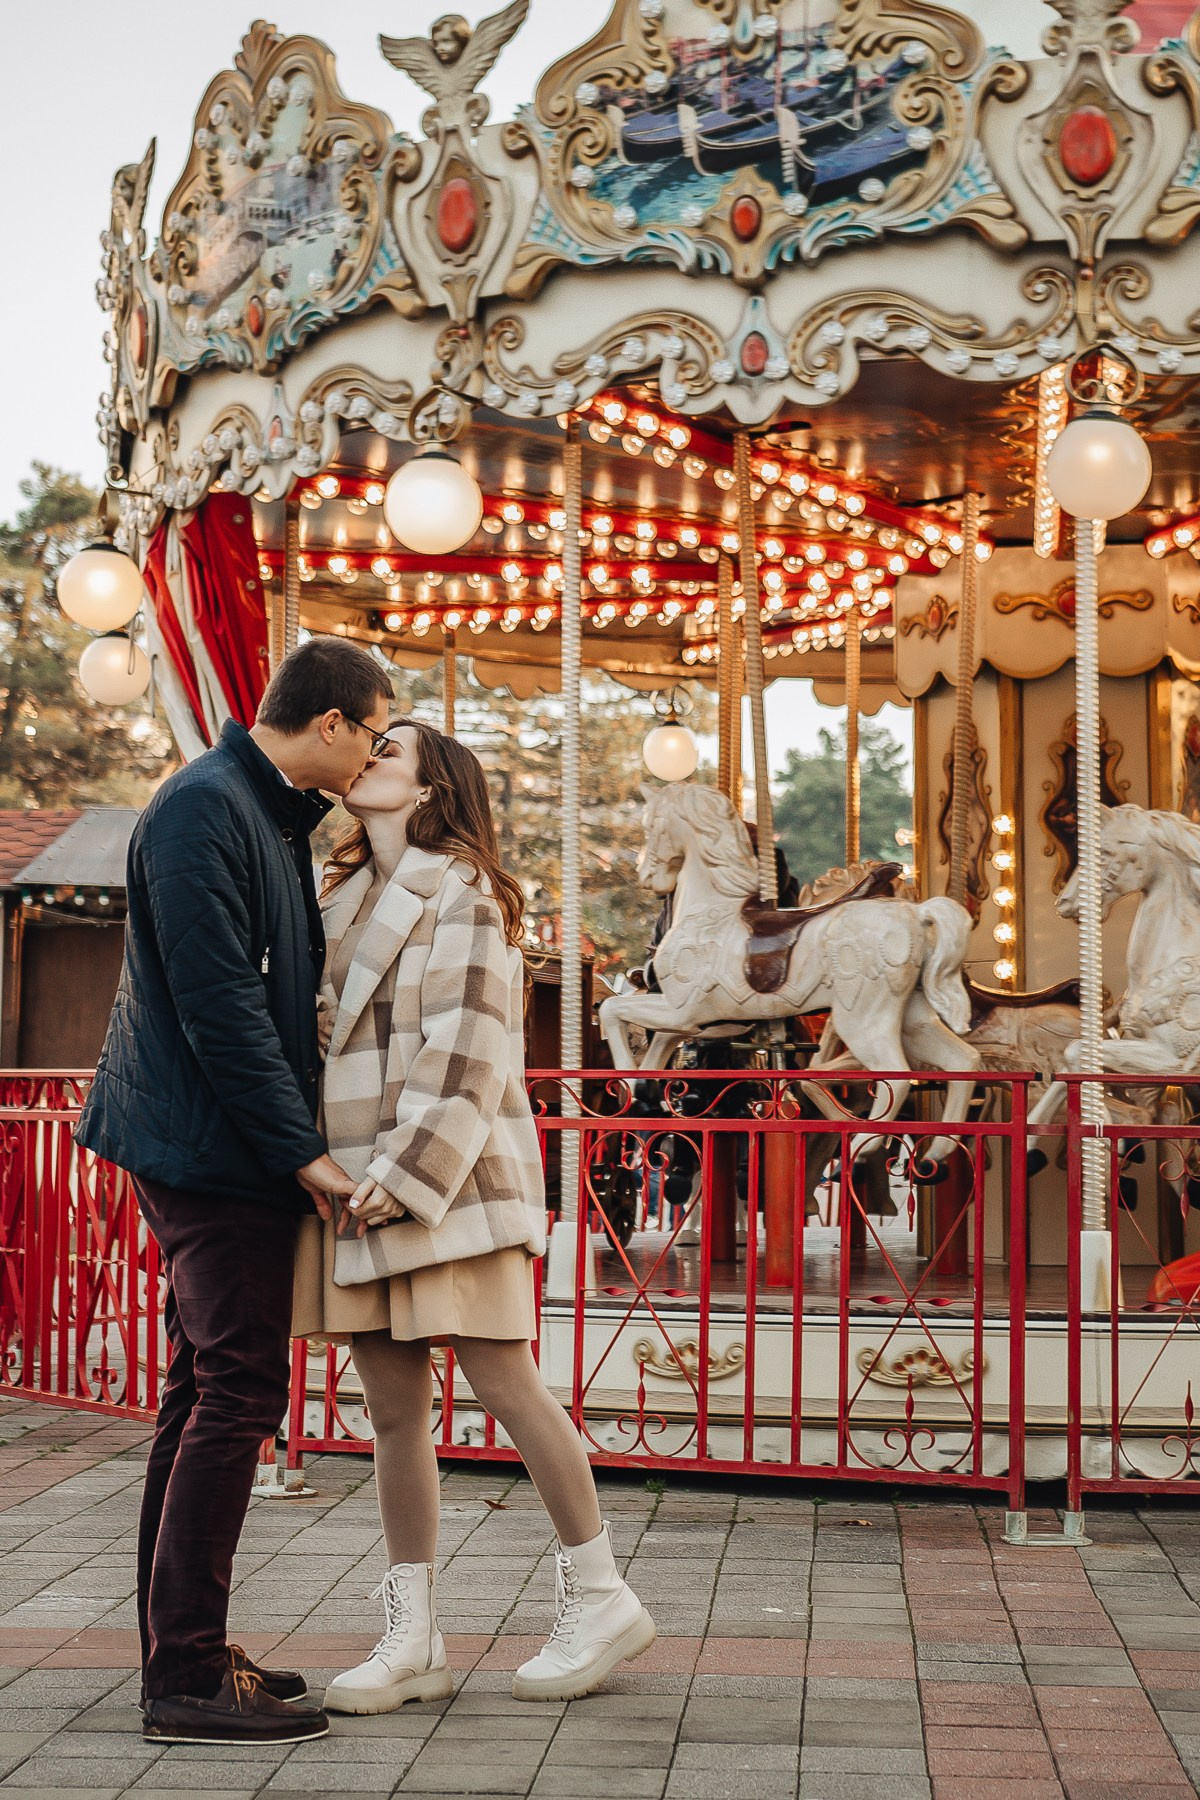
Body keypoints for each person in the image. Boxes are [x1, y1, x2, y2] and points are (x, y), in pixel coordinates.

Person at [293, 720, 655, 1711]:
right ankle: (411, 1635)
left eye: (388, 754)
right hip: (361, 1179)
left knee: (504, 1377)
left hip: (446, 1176)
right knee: (394, 1411)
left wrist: (406, 1174)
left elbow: (469, 1046)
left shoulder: (466, 892)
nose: (366, 761)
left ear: (433, 789)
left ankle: (600, 1589)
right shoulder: (339, 895)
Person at [75, 638, 395, 1746]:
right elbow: (220, 1008)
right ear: (333, 723)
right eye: (375, 730)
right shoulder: (204, 810)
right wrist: (302, 1152)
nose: (377, 752)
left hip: (211, 1142)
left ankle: (188, 1651)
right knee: (240, 1389)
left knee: (202, 1390)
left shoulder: (253, 813)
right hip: (209, 1150)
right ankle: (185, 1681)